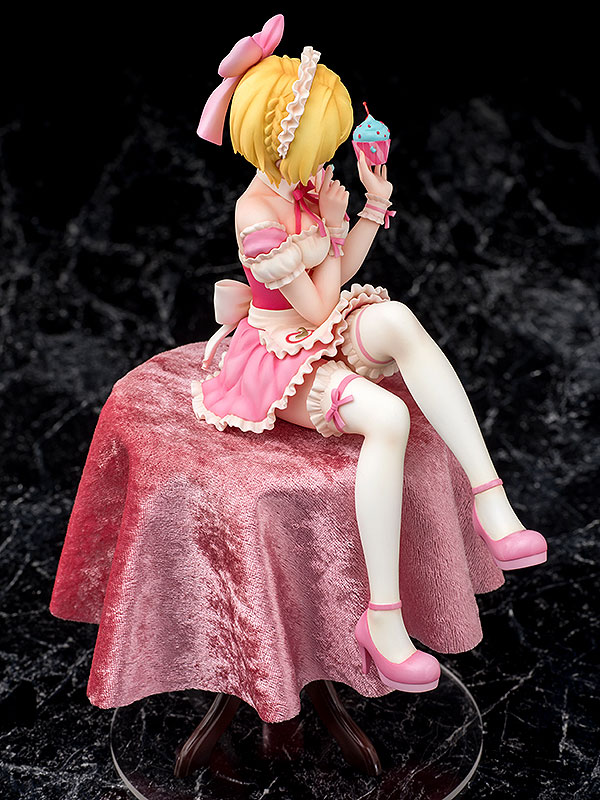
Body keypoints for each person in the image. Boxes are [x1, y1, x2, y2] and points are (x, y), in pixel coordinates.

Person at [192, 14, 547, 693]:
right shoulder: (256, 216)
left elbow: (340, 275)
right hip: (275, 360)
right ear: (282, 144)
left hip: (315, 331)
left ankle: (490, 498)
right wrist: (331, 226)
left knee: (400, 319)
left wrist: (369, 207)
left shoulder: (301, 190)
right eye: (319, 145)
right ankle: (382, 620)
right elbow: (316, 306)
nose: (328, 159)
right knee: (388, 417)